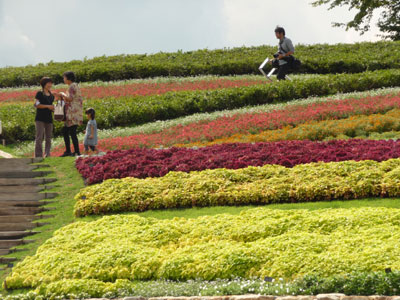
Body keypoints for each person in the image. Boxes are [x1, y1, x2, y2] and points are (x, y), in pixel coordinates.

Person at [59, 71, 83, 157]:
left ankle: (74, 151)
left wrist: (62, 94)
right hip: (75, 112)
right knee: (68, 131)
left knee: (70, 131)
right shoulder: (74, 85)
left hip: (73, 113)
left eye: (64, 77)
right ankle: (73, 151)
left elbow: (69, 98)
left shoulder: (72, 86)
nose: (63, 79)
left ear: (68, 78)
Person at [34, 77, 55, 158]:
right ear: (44, 84)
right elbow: (36, 105)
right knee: (39, 137)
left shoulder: (52, 96)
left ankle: (47, 154)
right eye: (48, 83)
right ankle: (38, 155)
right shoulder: (39, 93)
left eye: (51, 83)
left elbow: (51, 107)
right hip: (40, 118)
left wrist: (54, 109)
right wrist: (48, 106)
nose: (50, 85)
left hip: (49, 118)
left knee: (48, 138)